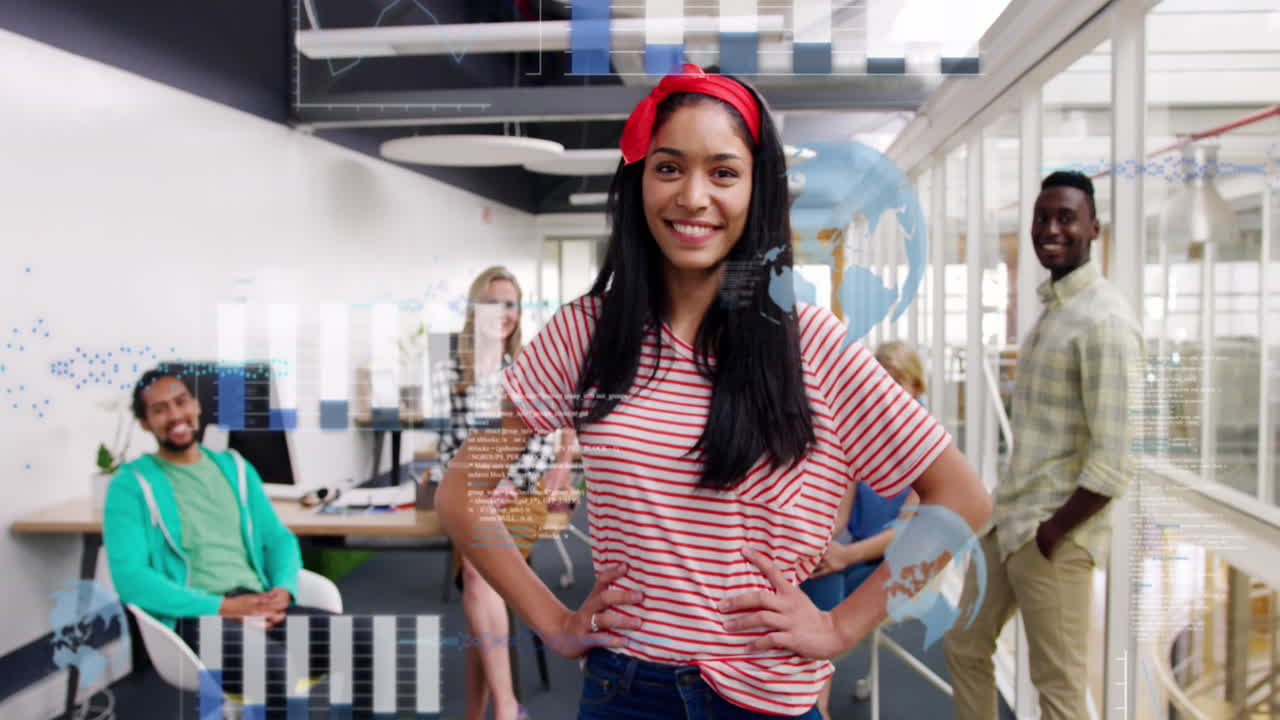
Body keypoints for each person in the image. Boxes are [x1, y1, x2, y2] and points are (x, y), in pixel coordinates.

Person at [436, 63, 991, 719]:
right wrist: (552, 619)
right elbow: (462, 491)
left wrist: (840, 626)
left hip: (765, 698)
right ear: (638, 180)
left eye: (723, 172)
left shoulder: (810, 343)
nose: (693, 196)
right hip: (625, 689)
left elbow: (962, 499)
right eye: (668, 167)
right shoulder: (587, 333)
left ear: (757, 191)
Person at [943, 171, 1143, 720]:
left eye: (1066, 218)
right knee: (964, 645)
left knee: (1057, 688)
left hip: (1054, 534)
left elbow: (1115, 461)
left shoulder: (1106, 322)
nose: (1051, 229)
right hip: (1010, 519)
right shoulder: (1054, 310)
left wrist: (1052, 533)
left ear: (1093, 228)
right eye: (1042, 217)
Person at [103, 368, 357, 716]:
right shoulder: (130, 484)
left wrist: (283, 589)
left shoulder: (234, 467)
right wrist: (223, 607)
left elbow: (278, 539)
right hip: (196, 616)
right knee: (273, 670)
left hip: (258, 603)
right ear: (145, 423)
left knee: (365, 642)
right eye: (160, 409)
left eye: (181, 402)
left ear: (196, 405)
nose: (175, 415)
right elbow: (131, 579)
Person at [434, 266, 574, 720]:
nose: (505, 312)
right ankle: (498, 707)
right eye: (494, 302)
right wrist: (475, 485)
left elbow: (537, 440)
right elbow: (448, 442)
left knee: (478, 574)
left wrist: (509, 483)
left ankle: (499, 707)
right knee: (483, 579)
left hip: (521, 490)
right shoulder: (450, 366)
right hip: (470, 488)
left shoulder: (527, 364)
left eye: (512, 303)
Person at [797, 341, 927, 720]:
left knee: (827, 586)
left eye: (897, 383)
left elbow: (906, 532)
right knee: (814, 567)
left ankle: (816, 704)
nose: (886, 393)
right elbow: (841, 510)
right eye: (880, 383)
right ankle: (807, 694)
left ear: (916, 387)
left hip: (901, 555)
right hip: (857, 546)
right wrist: (815, 543)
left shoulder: (926, 443)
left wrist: (842, 556)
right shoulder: (863, 432)